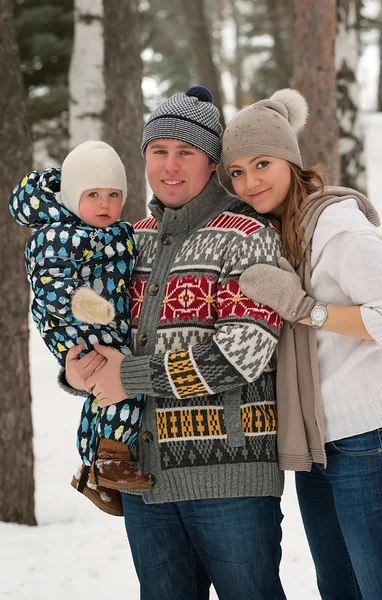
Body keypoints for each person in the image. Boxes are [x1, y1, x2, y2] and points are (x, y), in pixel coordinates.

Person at [62, 86, 287, 600]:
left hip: (231, 479)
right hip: (144, 479)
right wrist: (76, 371)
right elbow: (97, 334)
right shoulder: (127, 240)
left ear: (212, 162)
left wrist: (129, 376)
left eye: (186, 152)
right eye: (158, 151)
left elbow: (243, 354)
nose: (170, 166)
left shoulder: (247, 235)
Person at [222, 88, 382, 600]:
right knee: (338, 589)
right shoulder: (270, 235)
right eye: (237, 172)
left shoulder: (336, 226)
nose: (250, 182)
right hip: (316, 445)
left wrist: (306, 309)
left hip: (370, 439)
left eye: (262, 163)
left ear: (290, 160)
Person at [9, 141, 152, 517]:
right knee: (124, 385)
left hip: (106, 325)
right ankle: (111, 457)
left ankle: (94, 467)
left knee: (105, 391)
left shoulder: (120, 232)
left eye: (113, 194)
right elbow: (50, 286)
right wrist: (87, 305)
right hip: (74, 325)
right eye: (93, 195)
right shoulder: (53, 235)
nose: (105, 204)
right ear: (73, 197)